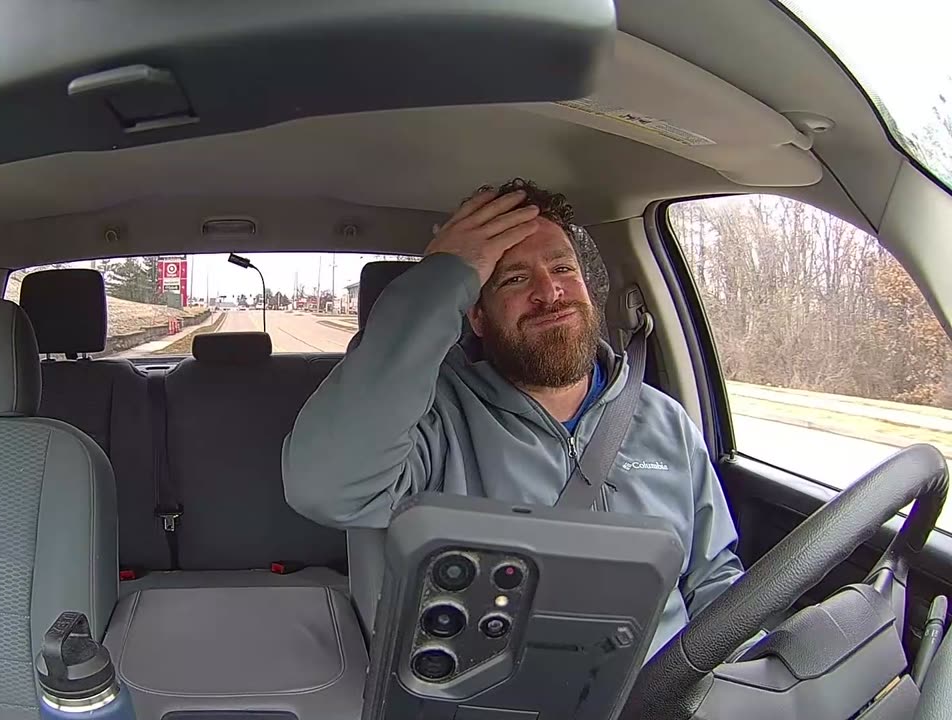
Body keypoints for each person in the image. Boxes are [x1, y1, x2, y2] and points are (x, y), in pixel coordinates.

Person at [282, 179, 743, 657]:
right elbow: (325, 489)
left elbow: (714, 578)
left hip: (665, 694)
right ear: (476, 315)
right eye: (515, 279)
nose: (550, 292)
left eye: (563, 268)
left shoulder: (665, 422)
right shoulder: (431, 420)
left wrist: (737, 679)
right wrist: (441, 279)